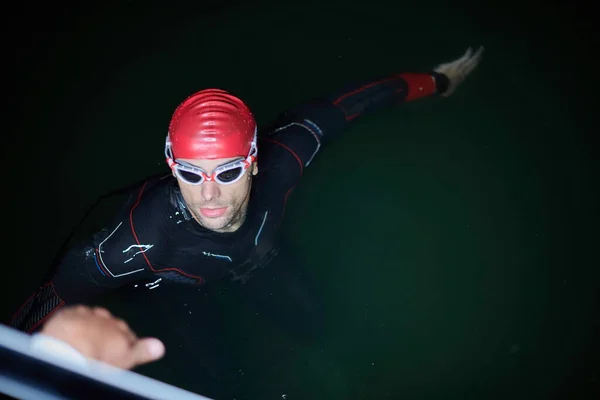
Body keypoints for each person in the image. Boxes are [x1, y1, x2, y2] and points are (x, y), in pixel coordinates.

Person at [8, 46, 484, 342]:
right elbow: (45, 302)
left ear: (254, 161)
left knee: (315, 328)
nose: (210, 192)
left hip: (263, 258)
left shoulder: (289, 152)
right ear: (173, 168)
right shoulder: (133, 244)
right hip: (174, 293)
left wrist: (438, 82)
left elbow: (357, 103)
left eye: (229, 170)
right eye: (191, 174)